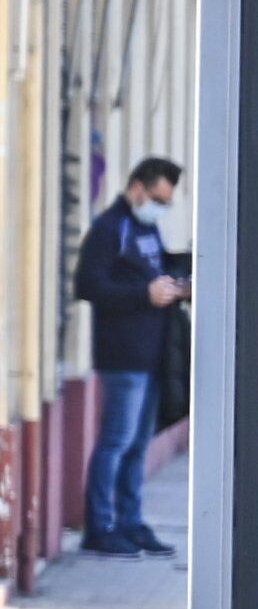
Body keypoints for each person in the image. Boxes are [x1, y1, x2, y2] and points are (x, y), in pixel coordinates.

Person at [74, 155, 185, 556]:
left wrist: (176, 284)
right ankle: (100, 527)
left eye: (167, 202)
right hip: (122, 358)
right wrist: (144, 295)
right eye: (158, 198)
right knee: (116, 441)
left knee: (138, 445)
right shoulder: (111, 228)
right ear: (137, 187)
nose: (161, 207)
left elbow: (150, 274)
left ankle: (129, 522)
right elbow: (88, 285)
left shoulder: (148, 229)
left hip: (152, 355)